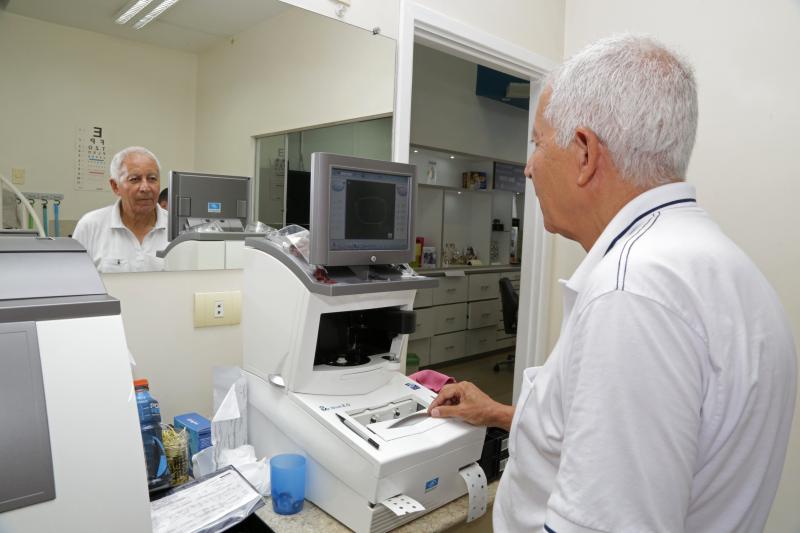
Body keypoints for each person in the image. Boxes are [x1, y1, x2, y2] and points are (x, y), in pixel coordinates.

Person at [428, 34, 796, 533]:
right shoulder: (721, 264)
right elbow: (627, 441)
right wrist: (497, 411)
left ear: (584, 153)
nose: (528, 166)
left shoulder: (634, 293)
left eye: (537, 143)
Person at [73, 146, 168, 272]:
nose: (145, 188)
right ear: (115, 186)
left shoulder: (178, 229)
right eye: (135, 179)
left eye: (152, 179)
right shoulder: (90, 226)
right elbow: (74, 281)